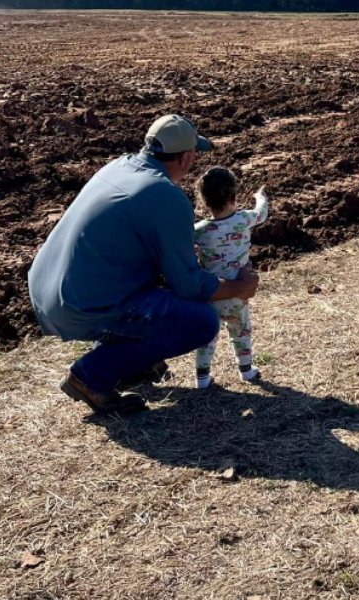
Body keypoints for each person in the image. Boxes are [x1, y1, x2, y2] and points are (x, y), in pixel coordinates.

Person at [27, 114, 259, 415]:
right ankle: (91, 375)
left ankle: (133, 362)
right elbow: (189, 285)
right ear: (186, 157)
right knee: (201, 321)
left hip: (46, 289)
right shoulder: (166, 196)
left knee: (158, 293)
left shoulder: (119, 166)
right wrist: (238, 287)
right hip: (80, 305)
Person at [192, 167, 269, 389]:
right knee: (241, 332)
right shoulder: (244, 220)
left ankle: (202, 378)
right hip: (238, 292)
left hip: (212, 292)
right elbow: (262, 213)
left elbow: (181, 242)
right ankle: (246, 371)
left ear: (205, 202)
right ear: (234, 197)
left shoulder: (198, 230)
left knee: (207, 336)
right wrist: (260, 197)